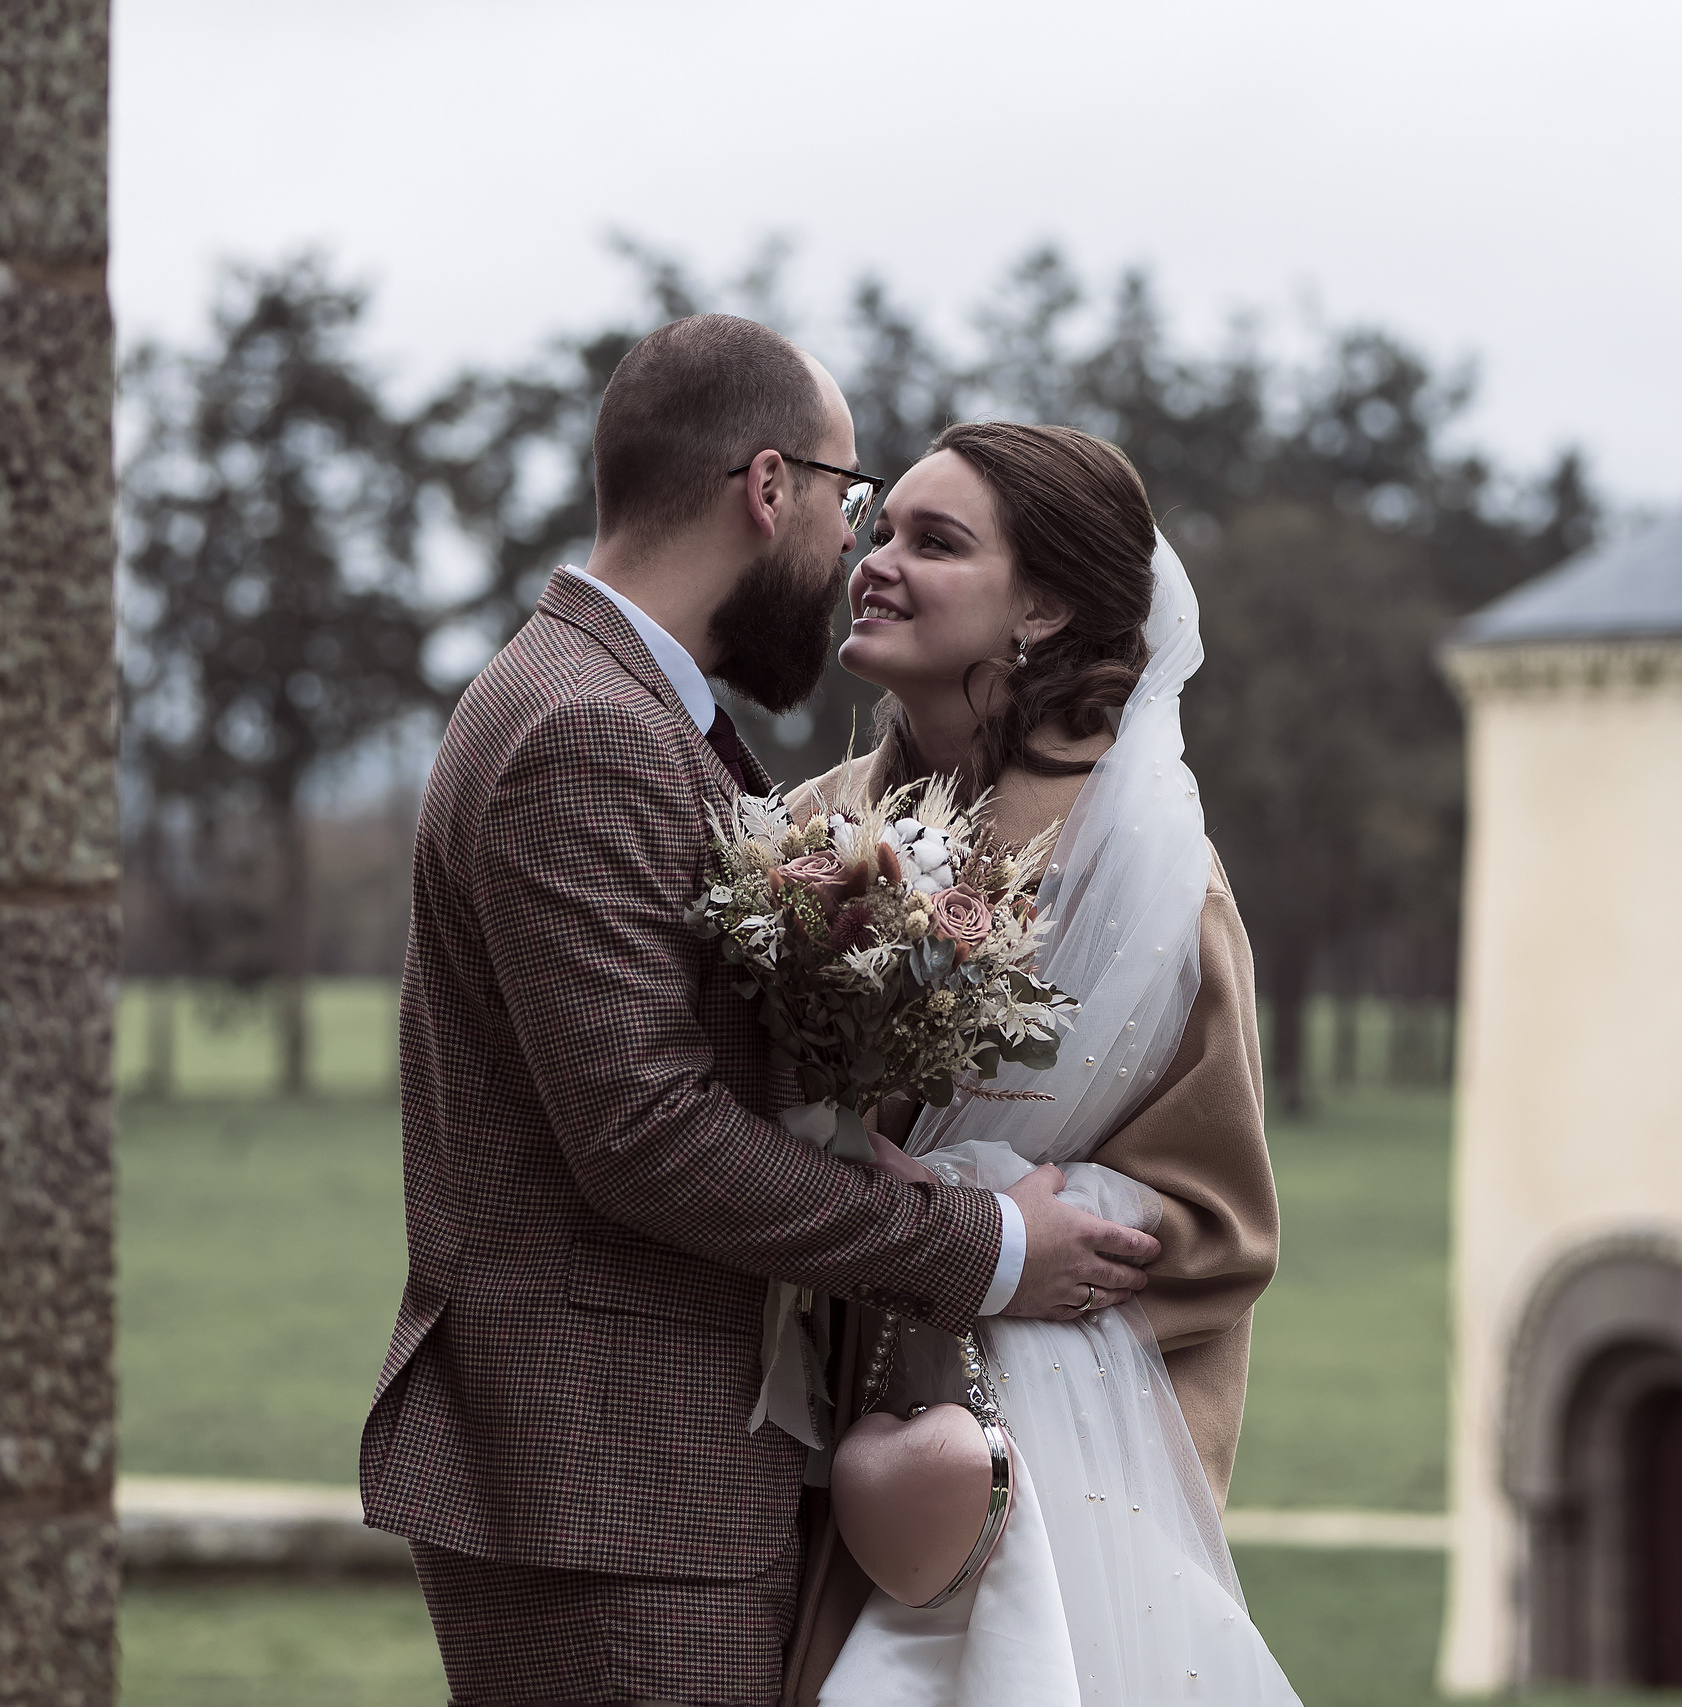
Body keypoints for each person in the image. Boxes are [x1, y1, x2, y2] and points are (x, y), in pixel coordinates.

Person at [360, 317, 1161, 1706]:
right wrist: (983, 1247)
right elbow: (647, 1134)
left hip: (628, 1481)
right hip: (618, 1486)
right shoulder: (589, 728)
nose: (854, 547)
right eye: (853, 501)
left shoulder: (605, 703)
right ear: (769, 486)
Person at [777, 423, 1298, 1705]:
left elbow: (1219, 1228)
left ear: (1044, 607)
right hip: (780, 1470)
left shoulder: (1151, 881)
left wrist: (985, 1219)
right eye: (880, 529)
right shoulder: (798, 838)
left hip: (1037, 1510)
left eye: (936, 542)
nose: (875, 562)